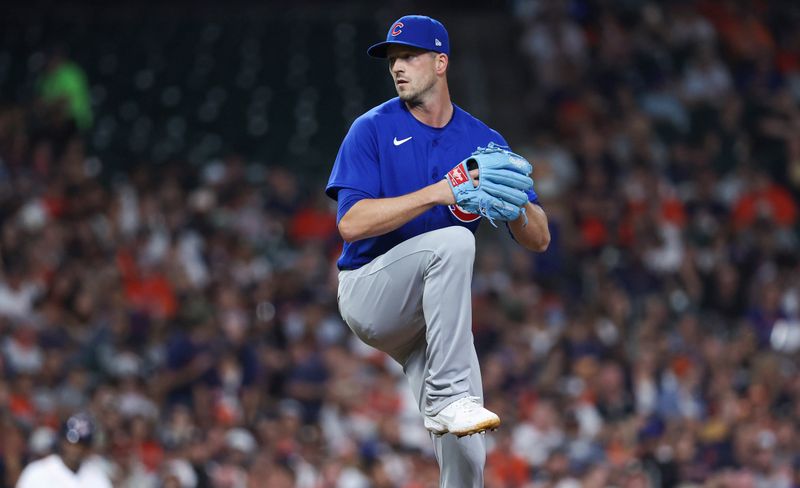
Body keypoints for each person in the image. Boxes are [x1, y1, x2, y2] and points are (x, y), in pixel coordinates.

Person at [326, 14, 550, 487]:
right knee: (453, 239)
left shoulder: (482, 141)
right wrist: (437, 192)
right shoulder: (370, 129)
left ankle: (453, 407)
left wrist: (514, 210)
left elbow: (540, 237)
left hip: (433, 323)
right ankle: (449, 396)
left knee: (469, 452)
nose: (398, 67)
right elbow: (350, 224)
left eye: (409, 56)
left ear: (441, 62)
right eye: (392, 59)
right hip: (371, 289)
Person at [15, 413, 112, 488]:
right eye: (71, 443)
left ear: (89, 449)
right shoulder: (37, 472)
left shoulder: (97, 476)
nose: (76, 450)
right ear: (61, 441)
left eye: (82, 445)